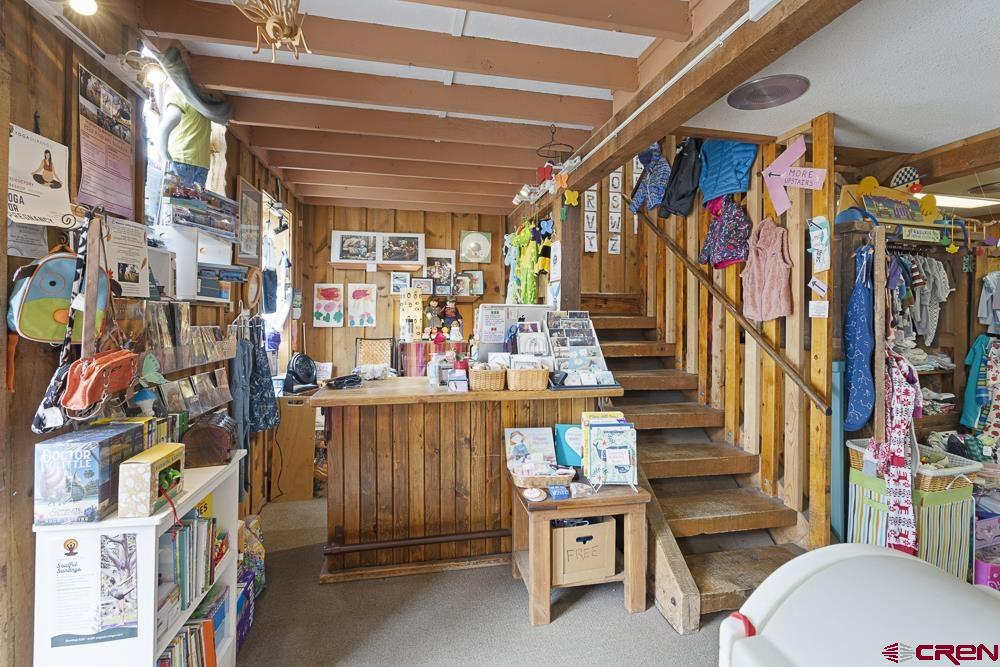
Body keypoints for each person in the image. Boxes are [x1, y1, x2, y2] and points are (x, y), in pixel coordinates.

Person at [156, 87, 211, 188]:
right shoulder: (179, 90)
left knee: (190, 202)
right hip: (181, 159)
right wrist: (164, 155)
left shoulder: (205, 99)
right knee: (176, 201)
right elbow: (170, 119)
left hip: (200, 164)